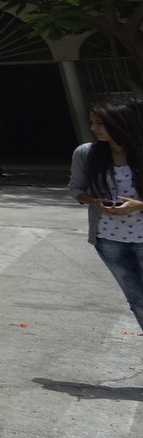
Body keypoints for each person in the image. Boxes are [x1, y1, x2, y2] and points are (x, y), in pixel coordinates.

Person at [73, 104, 143, 332]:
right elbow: (76, 189)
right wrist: (94, 202)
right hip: (109, 240)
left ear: (119, 123)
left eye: (100, 123)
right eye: (92, 123)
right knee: (137, 301)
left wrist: (137, 205)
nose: (94, 128)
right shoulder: (86, 153)